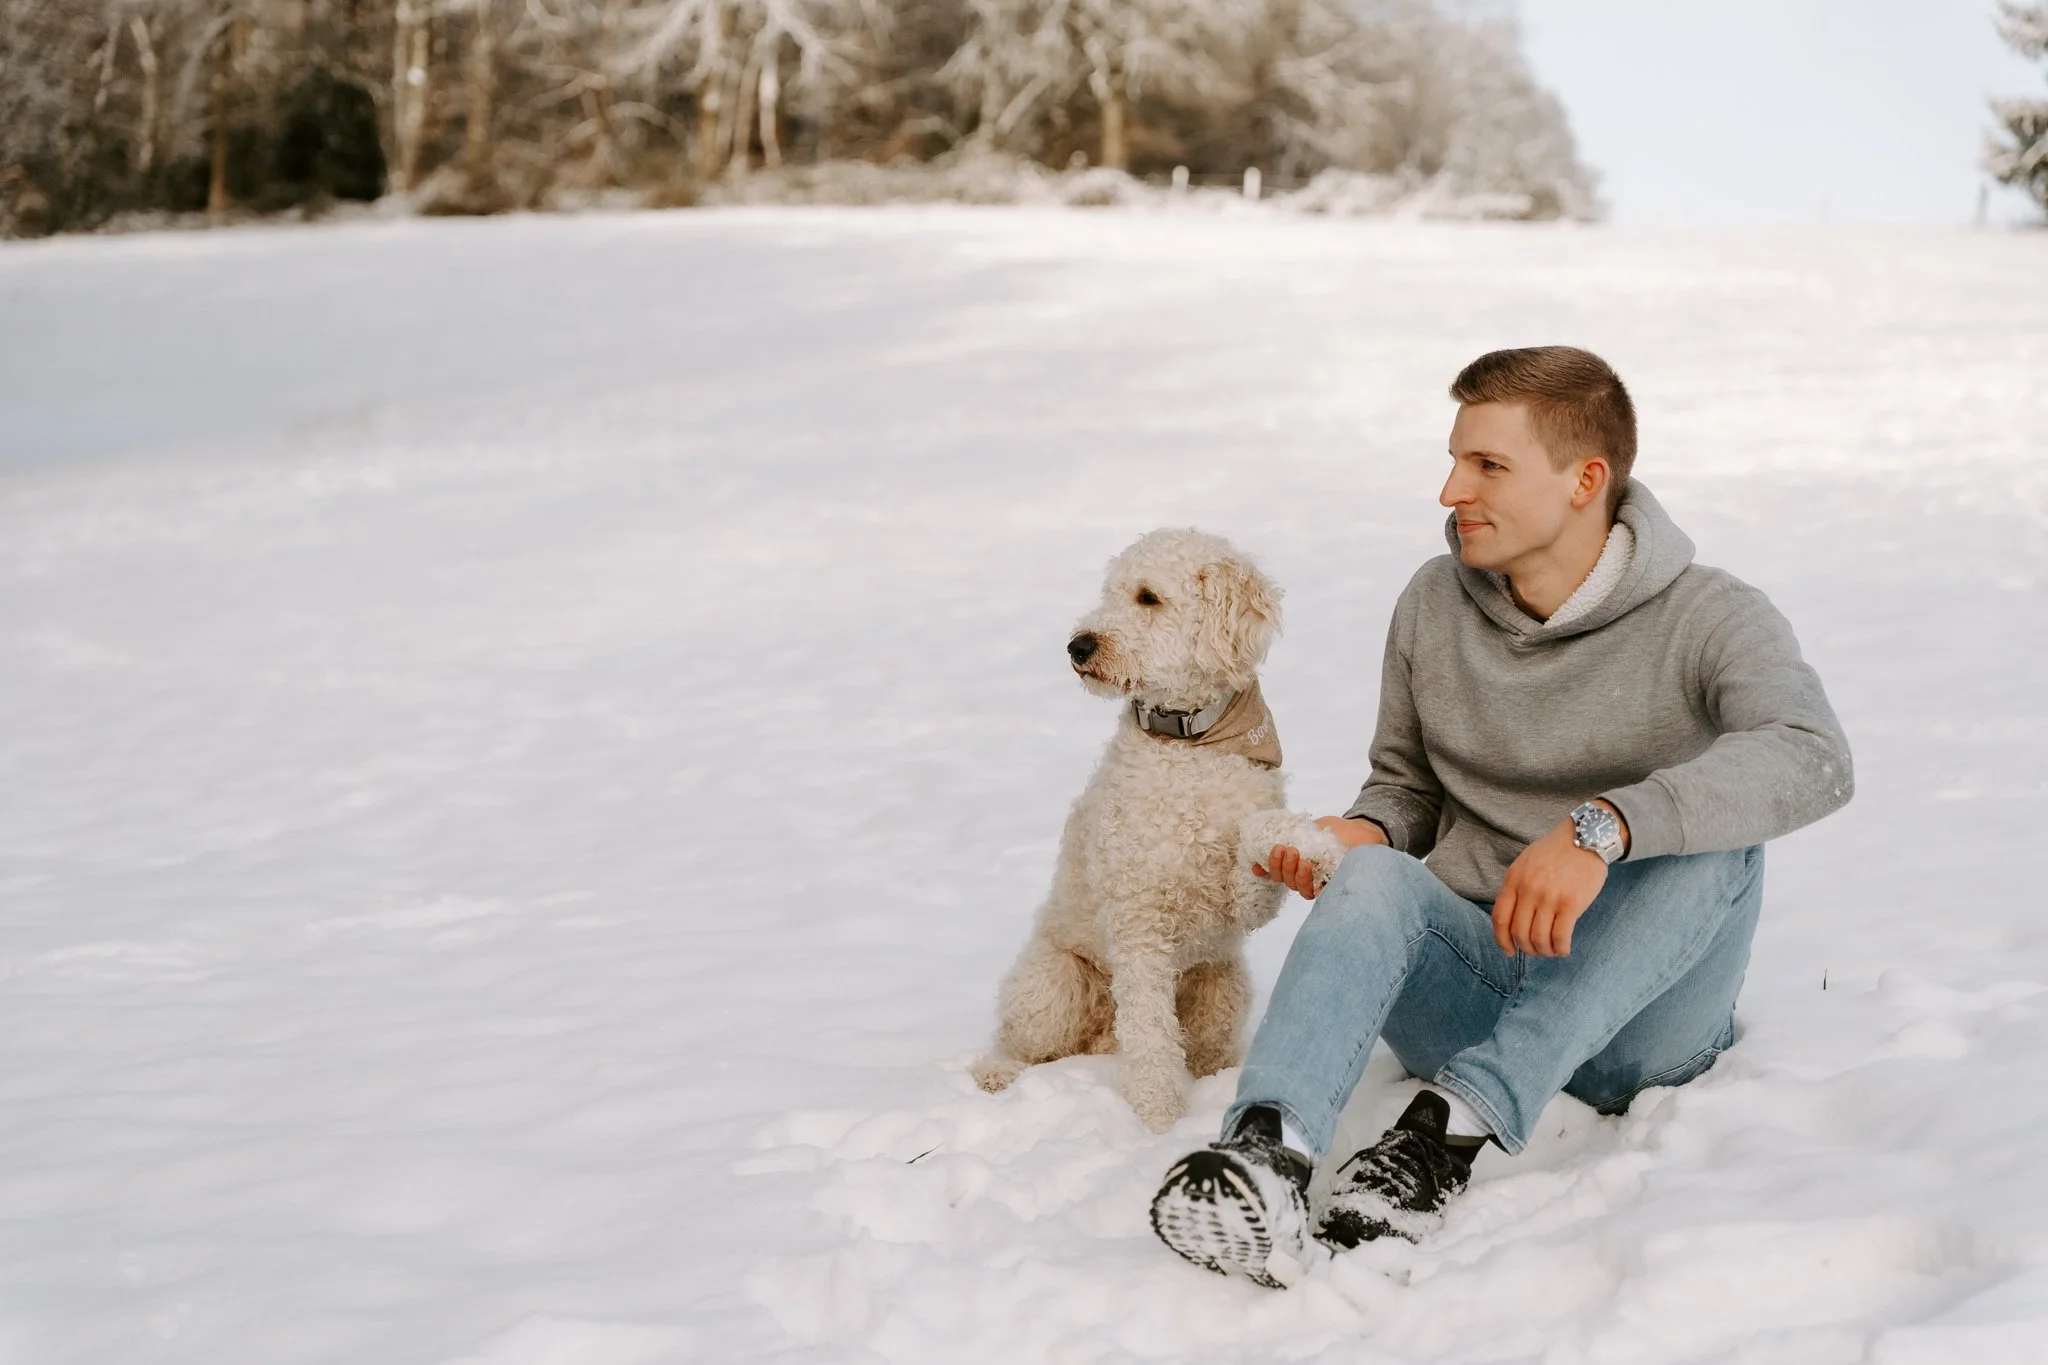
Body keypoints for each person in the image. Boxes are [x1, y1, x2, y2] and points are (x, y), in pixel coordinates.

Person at [1147, 346, 1853, 1288]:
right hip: (1477, 987)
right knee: (1373, 876)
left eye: (1487, 465)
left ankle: (1447, 1133)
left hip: (1641, 1028)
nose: (1451, 489)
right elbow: (1403, 790)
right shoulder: (1432, 604)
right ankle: (1267, 1155)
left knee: (1720, 840)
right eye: (1453, 459)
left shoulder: (1712, 615)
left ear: (1584, 480)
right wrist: (1360, 843)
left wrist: (1603, 827)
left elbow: (1814, 755)